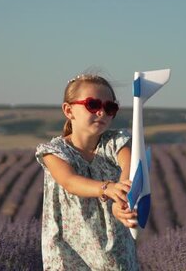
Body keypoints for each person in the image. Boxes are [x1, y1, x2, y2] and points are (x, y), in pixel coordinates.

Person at [35, 73, 139, 270]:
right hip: (68, 254)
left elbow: (130, 165)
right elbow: (70, 181)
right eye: (93, 105)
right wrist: (108, 189)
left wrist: (122, 200)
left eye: (110, 108)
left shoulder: (115, 142)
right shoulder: (54, 151)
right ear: (68, 110)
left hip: (115, 254)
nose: (102, 112)